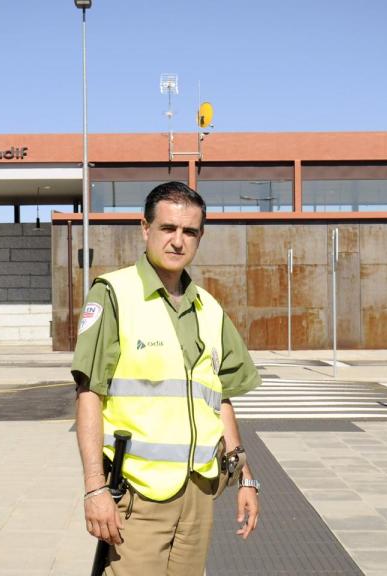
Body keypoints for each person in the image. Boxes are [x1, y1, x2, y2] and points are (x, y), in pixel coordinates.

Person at [72, 181, 261, 576]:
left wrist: (245, 477)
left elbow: (220, 397)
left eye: (189, 231)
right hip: (138, 496)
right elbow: (89, 392)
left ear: (200, 236)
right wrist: (94, 488)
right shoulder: (113, 294)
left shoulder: (209, 308)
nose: (178, 241)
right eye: (168, 228)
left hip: (198, 492)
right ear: (146, 228)